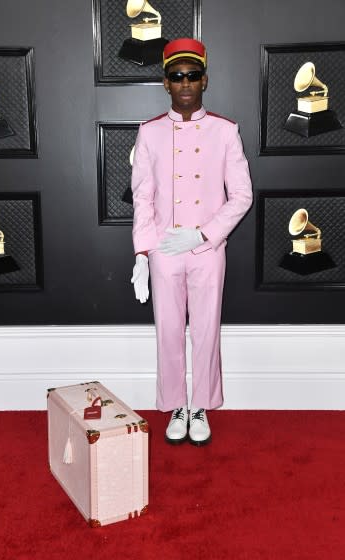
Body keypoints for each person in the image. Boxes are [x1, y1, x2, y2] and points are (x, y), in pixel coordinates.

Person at [130, 38, 252, 446]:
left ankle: (200, 404)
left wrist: (203, 234)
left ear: (205, 79)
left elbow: (241, 196)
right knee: (167, 330)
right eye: (177, 76)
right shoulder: (148, 133)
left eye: (193, 75)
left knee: (205, 330)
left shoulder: (225, 131)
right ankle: (175, 403)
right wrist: (143, 253)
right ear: (166, 83)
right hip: (165, 250)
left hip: (206, 249)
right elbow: (143, 196)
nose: (186, 83)